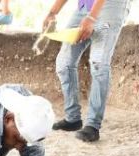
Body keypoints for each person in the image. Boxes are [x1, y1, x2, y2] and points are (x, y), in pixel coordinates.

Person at [44, 0, 133, 142]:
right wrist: (52, 13)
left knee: (98, 63)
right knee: (64, 63)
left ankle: (93, 125)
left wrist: (92, 17)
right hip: (84, 6)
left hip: (112, 6)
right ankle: (73, 118)